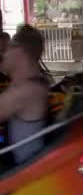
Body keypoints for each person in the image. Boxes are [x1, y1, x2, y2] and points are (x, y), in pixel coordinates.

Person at [0, 25, 49, 165]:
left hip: (22, 175)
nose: (3, 54)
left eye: (7, 49)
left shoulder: (26, 91)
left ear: (19, 52)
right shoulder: (38, 82)